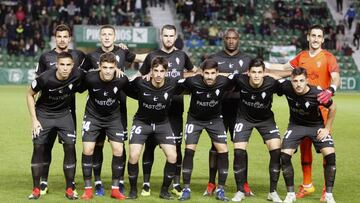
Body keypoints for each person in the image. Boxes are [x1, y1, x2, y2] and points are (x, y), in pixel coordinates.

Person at [268, 24, 340, 201]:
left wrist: (330, 89)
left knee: (324, 146)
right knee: (304, 147)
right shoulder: (302, 56)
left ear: (323, 39)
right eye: (313, 35)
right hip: (301, 112)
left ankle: (326, 190)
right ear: (308, 37)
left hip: (321, 109)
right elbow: (285, 68)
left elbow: (336, 77)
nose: (315, 39)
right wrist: (266, 67)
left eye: (319, 36)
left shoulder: (328, 57)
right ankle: (307, 185)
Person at [136, 24, 196, 197]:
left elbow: (194, 72)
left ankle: (176, 183)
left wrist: (186, 79)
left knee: (176, 148)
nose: (168, 39)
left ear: (175, 36)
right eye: (166, 35)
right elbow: (141, 76)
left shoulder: (182, 56)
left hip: (175, 109)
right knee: (150, 147)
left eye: (171, 36)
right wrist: (144, 76)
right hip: (153, 110)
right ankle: (146, 183)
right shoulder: (152, 56)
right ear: (161, 36)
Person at [83, 25, 143, 196]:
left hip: (117, 109)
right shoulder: (91, 57)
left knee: (119, 148)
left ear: (115, 36)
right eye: (104, 34)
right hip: (95, 110)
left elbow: (140, 60)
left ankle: (119, 183)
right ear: (100, 36)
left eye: (110, 34)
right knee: (97, 146)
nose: (107, 37)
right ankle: (98, 182)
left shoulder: (122, 52)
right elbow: (80, 77)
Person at [35, 24, 86, 196]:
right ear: (55, 38)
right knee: (46, 146)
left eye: (65, 36)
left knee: (70, 147)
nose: (62, 39)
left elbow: (92, 67)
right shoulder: (45, 57)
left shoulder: (78, 55)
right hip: (48, 110)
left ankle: (70, 184)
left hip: (68, 110)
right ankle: (43, 181)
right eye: (59, 36)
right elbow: (39, 82)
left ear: (69, 38)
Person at [27, 52, 84, 200]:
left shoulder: (78, 74)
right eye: (62, 65)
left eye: (68, 65)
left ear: (73, 66)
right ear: (57, 65)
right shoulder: (44, 78)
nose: (65, 68)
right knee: (39, 148)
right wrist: (34, 120)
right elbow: (29, 95)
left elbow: (97, 74)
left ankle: (70, 189)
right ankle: (36, 189)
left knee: (70, 147)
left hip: (64, 115)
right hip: (44, 115)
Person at [205, 28, 253, 197]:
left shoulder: (247, 60)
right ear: (223, 39)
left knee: (240, 147)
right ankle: (212, 182)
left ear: (238, 39)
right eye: (228, 38)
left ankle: (244, 183)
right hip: (218, 109)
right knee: (215, 147)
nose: (231, 41)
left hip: (240, 110)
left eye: (234, 38)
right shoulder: (214, 59)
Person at [278, 68, 337, 203]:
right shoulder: (286, 87)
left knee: (330, 155)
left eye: (301, 81)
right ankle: (290, 194)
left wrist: (327, 128)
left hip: (316, 127)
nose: (298, 84)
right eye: (295, 81)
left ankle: (329, 195)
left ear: (307, 81)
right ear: (291, 81)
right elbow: (272, 77)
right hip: (296, 126)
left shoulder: (317, 93)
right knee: (284, 156)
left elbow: (333, 108)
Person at [126, 57, 181, 200]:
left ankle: (164, 190)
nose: (158, 74)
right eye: (155, 70)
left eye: (162, 71)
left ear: (166, 72)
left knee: (173, 156)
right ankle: (133, 190)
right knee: (133, 155)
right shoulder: (140, 83)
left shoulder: (172, 84)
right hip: (142, 122)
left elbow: (191, 84)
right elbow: (125, 85)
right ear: (151, 71)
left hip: (163, 124)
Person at [178, 59, 232, 201]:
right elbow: (177, 82)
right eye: (206, 73)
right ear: (202, 73)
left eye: (213, 73)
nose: (209, 76)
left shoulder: (224, 82)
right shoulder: (193, 81)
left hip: (215, 120)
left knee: (223, 151)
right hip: (195, 120)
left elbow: (239, 78)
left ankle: (220, 189)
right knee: (189, 150)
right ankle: (186, 189)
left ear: (218, 73)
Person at [231, 58, 282, 202]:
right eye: (253, 72)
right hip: (244, 119)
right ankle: (240, 191)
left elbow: (288, 88)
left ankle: (272, 192)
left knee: (276, 150)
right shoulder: (240, 80)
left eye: (260, 72)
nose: (256, 75)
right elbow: (222, 79)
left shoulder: (271, 83)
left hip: (266, 121)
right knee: (238, 151)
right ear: (248, 73)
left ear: (264, 73)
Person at [79, 52, 129, 200]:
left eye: (111, 67)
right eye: (105, 67)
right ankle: (88, 189)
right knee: (88, 149)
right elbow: (77, 88)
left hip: (113, 117)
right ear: (99, 67)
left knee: (119, 150)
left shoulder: (122, 80)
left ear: (116, 68)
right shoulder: (90, 78)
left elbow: (136, 90)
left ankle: (115, 189)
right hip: (93, 116)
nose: (108, 70)